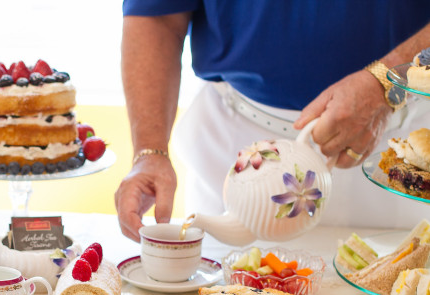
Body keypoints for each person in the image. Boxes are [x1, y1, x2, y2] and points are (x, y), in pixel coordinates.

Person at [115, 1, 430, 242]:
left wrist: (386, 82)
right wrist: (149, 152)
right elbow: (157, 13)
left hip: (400, 148)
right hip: (232, 140)